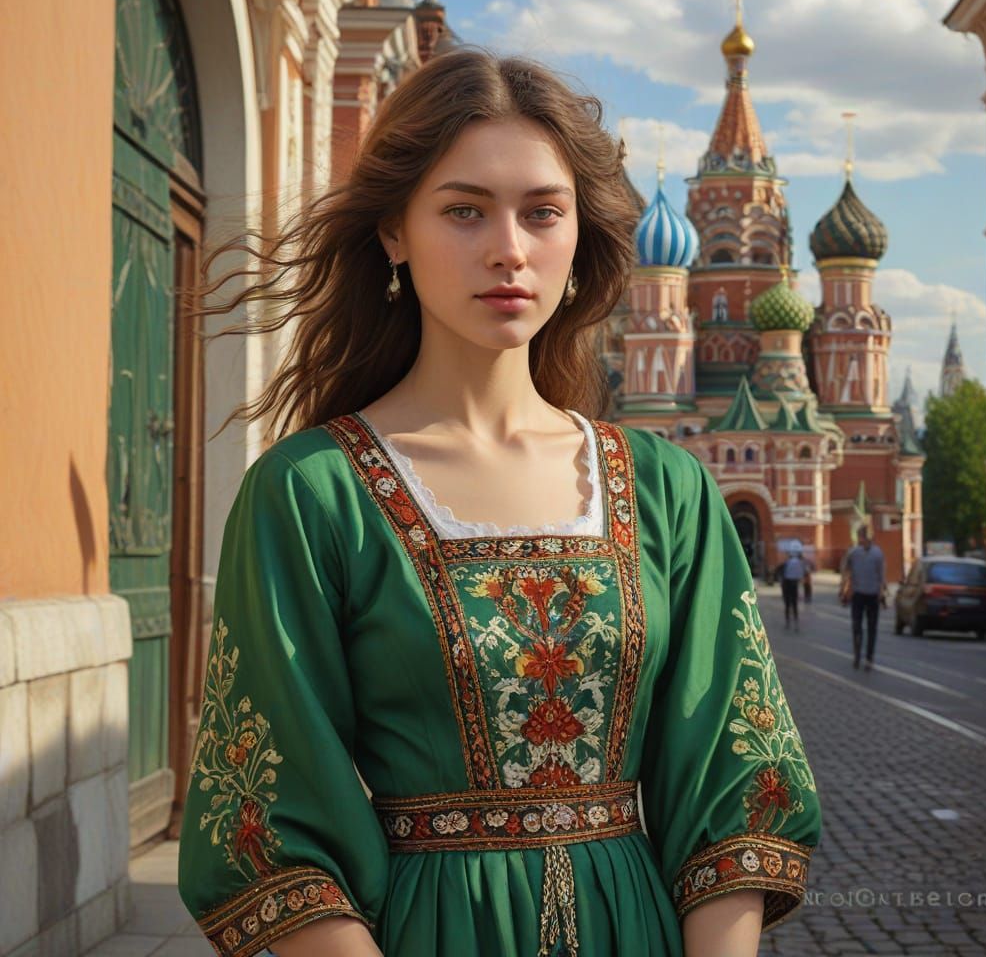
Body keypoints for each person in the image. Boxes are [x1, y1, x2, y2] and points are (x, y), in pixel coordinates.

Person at [177, 49, 820, 957]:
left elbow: (735, 782)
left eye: (541, 212)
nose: (509, 249)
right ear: (395, 231)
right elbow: (268, 817)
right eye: (464, 210)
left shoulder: (665, 489)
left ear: (579, 236)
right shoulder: (312, 494)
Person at [841, 526, 886, 670]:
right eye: (860, 536)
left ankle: (869, 657)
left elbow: (881, 575)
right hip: (858, 594)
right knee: (857, 626)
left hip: (872, 595)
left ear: (868, 538)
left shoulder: (877, 554)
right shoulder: (853, 553)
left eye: (863, 536)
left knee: (872, 627)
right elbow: (846, 569)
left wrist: (882, 592)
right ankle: (857, 654)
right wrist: (844, 588)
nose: (861, 539)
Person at [777, 548, 807, 630]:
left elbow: (779, 573)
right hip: (793, 585)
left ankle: (788, 622)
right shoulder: (798, 563)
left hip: (787, 586)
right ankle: (795, 622)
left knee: (787, 605)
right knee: (794, 605)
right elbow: (802, 575)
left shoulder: (786, 564)